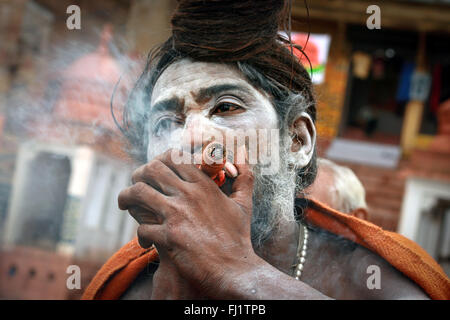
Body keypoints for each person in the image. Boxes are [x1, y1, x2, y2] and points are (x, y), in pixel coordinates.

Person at [82, 0, 449, 300]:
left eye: (225, 107)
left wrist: (236, 269)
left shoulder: (371, 283)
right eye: (165, 123)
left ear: (297, 141)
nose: (190, 137)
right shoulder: (129, 288)